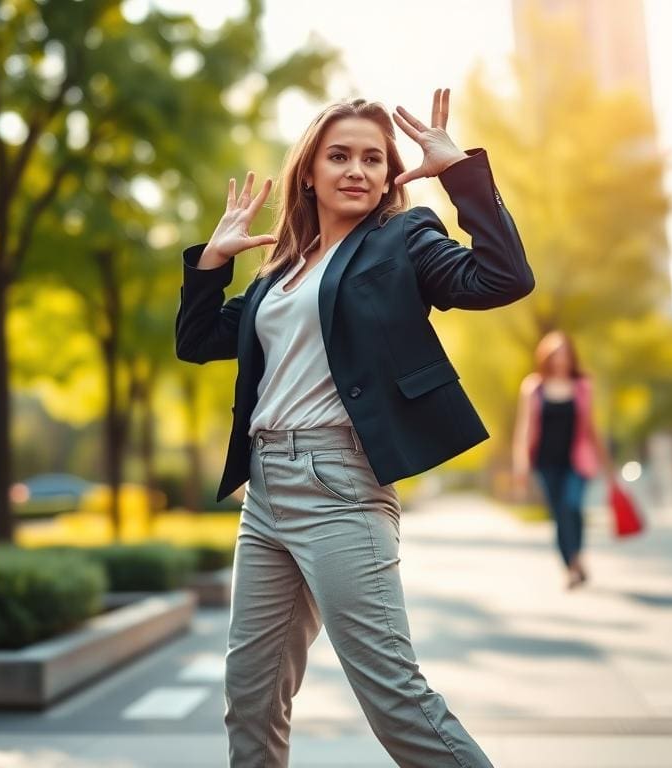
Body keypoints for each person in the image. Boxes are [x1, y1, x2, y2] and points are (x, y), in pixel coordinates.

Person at [174, 89, 534, 767]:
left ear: (390, 173)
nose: (357, 170)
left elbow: (503, 278)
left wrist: (460, 173)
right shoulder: (279, 269)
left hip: (339, 484)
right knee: (250, 700)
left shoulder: (403, 239)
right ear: (308, 170)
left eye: (373, 158)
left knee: (395, 701)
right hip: (265, 495)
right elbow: (198, 341)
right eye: (339, 155)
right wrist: (213, 265)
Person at [511, 331, 612, 589]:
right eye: (555, 354)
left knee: (572, 506)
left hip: (577, 461)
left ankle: (577, 559)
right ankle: (570, 567)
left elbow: (591, 428)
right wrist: (521, 464)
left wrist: (607, 467)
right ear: (546, 356)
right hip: (545, 462)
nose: (560, 359)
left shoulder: (582, 386)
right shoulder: (534, 387)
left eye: (565, 353)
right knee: (559, 514)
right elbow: (525, 428)